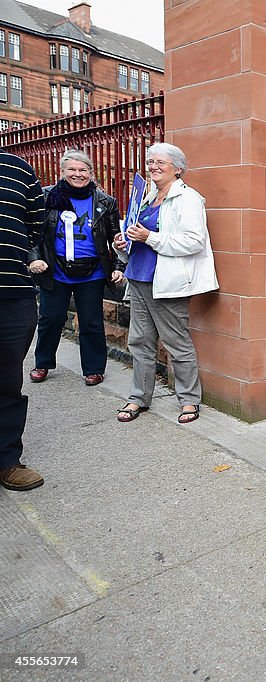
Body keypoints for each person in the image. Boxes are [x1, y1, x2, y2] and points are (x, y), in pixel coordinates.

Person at [112, 143, 218, 425]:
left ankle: (189, 400)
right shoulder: (148, 198)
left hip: (167, 283)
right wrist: (123, 244)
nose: (153, 166)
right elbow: (137, 238)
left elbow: (195, 242)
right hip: (137, 278)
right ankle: (138, 397)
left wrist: (150, 237)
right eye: (150, 162)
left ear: (177, 168)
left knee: (176, 343)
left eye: (160, 162)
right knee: (139, 342)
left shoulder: (188, 198)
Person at [27, 150, 124, 387]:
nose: (77, 174)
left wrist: (119, 265)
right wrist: (33, 258)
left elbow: (116, 239)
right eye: (72, 170)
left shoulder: (105, 202)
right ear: (62, 171)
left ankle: (94, 369)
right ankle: (42, 363)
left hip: (92, 273)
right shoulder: (46, 197)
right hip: (55, 271)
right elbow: (33, 233)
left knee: (91, 322)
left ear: (91, 173)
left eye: (83, 170)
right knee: (50, 319)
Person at [0, 148, 45, 491]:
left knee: (7, 381)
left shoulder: (19, 168)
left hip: (14, 294)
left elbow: (35, 223)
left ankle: (7, 460)